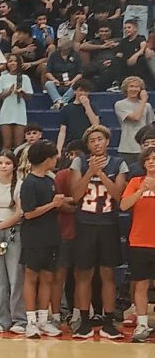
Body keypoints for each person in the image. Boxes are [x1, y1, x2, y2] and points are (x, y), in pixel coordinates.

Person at [70, 125, 127, 340]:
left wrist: (100, 173)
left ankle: (108, 322)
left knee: (108, 274)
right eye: (92, 140)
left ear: (107, 141)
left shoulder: (117, 163)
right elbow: (75, 196)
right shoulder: (79, 162)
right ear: (88, 144)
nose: (96, 143)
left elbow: (118, 195)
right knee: (84, 274)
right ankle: (85, 322)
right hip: (85, 223)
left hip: (108, 224)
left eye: (100, 139)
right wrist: (89, 172)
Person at [19, 139, 65, 338]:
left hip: (51, 236)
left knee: (48, 277)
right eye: (54, 157)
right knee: (31, 277)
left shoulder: (49, 180)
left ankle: (43, 320)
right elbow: (28, 213)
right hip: (33, 237)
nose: (56, 160)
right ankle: (30, 322)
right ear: (47, 159)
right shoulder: (29, 182)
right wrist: (53, 205)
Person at [0, 150, 26, 334]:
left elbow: (19, 214)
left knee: (16, 277)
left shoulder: (20, 185)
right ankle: (1, 319)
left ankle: (19, 320)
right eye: (0, 163)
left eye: (7, 163)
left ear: (14, 165)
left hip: (13, 232)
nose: (3, 166)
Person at [119, 146, 155, 342]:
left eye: (154, 158)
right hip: (139, 240)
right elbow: (124, 205)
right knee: (140, 284)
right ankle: (142, 324)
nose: (151, 162)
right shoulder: (135, 182)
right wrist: (142, 189)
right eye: (148, 159)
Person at [0, 53, 33, 151]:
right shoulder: (3, 78)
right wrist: (8, 92)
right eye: (10, 61)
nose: (13, 63)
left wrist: (22, 93)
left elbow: (29, 96)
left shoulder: (24, 78)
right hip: (6, 112)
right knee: (7, 144)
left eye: (15, 61)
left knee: (19, 145)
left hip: (19, 111)